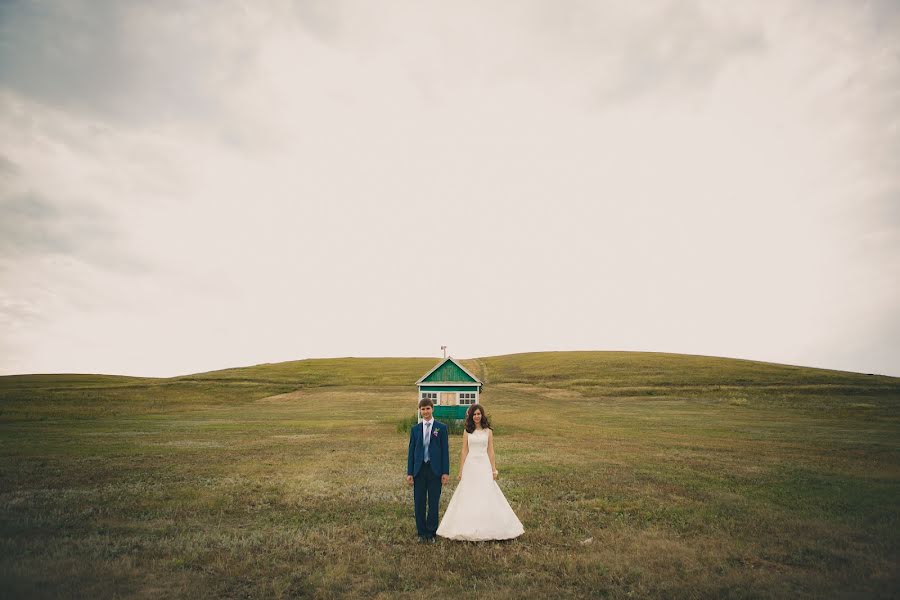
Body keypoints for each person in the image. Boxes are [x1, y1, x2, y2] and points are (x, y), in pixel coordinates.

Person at [436, 403, 524, 541]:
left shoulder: (488, 431)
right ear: (471, 416)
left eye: (478, 414)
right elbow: (464, 451)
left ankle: (490, 527)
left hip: (484, 465)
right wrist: (461, 470)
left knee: (486, 492)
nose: (476, 416)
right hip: (471, 465)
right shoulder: (467, 431)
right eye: (474, 414)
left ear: (482, 415)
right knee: (469, 493)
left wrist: (494, 469)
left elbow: (491, 450)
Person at [406, 398, 450, 542]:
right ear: (420, 411)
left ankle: (431, 533)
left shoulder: (441, 428)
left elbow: (445, 451)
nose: (425, 411)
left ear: (432, 409)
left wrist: (445, 472)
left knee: (433, 502)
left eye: (427, 408)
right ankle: (421, 532)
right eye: (422, 409)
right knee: (419, 502)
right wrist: (410, 473)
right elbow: (411, 451)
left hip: (435, 470)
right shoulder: (415, 429)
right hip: (419, 470)